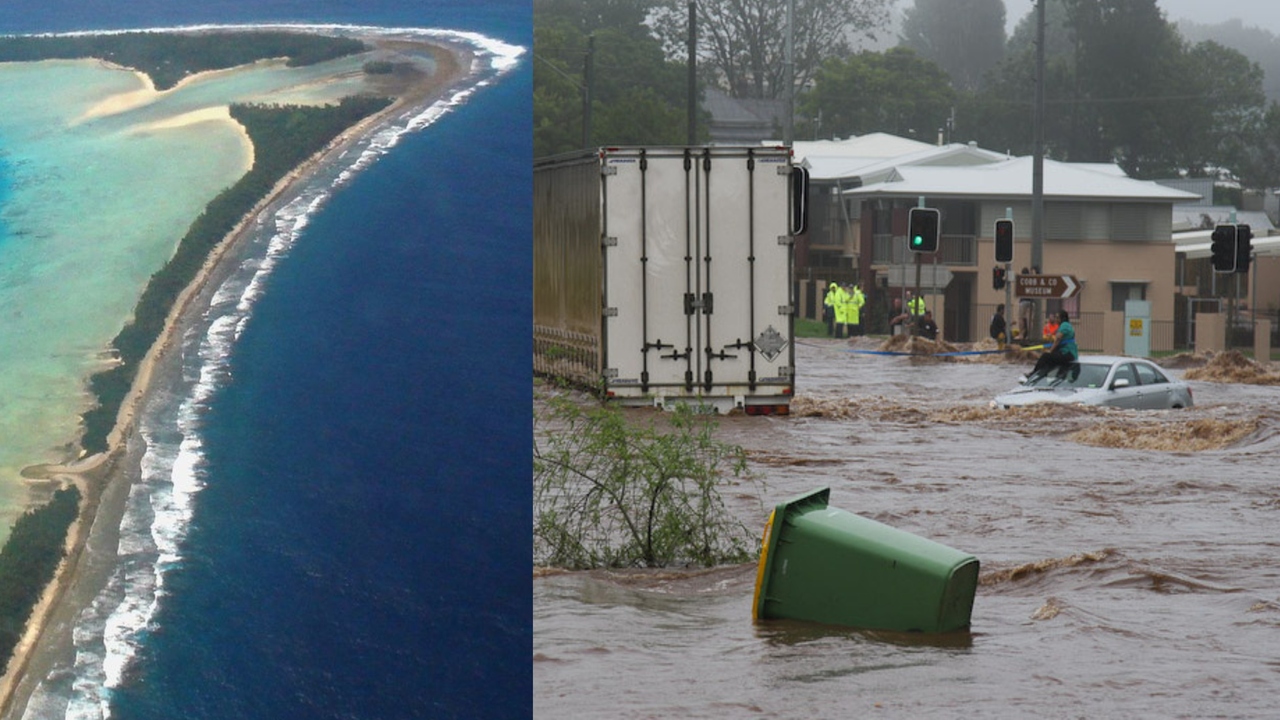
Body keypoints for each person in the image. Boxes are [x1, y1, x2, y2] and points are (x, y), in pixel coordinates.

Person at [1031, 309, 1078, 376]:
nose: (1055, 319)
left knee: (1045, 356)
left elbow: (1058, 339)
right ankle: (1044, 374)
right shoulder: (1066, 325)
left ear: (1062, 318)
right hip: (1067, 354)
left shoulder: (1064, 325)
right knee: (1050, 360)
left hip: (1068, 354)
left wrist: (1050, 350)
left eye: (1057, 317)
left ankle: (1034, 374)